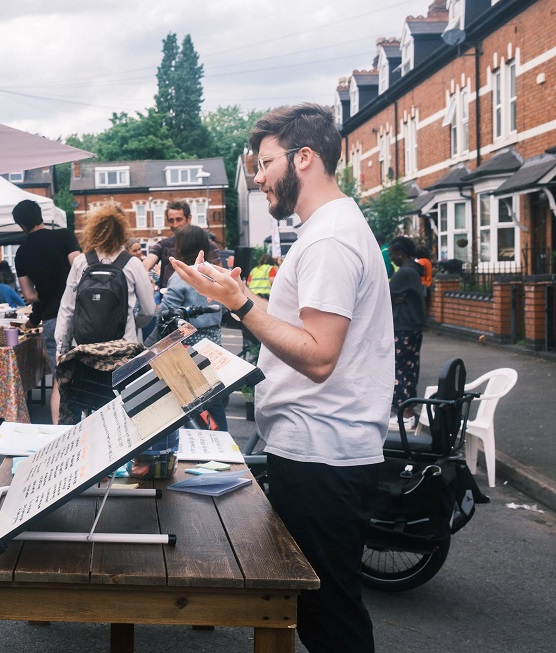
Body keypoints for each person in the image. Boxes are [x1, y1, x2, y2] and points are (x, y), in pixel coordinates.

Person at [172, 103, 393, 653]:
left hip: (323, 451)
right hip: (323, 446)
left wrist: (241, 307)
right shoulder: (330, 229)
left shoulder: (327, 240)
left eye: (265, 161)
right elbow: (305, 322)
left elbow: (319, 356)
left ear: (304, 158)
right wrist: (239, 294)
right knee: (322, 608)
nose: (257, 174)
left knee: (328, 616)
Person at [151, 225, 228, 431]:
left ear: (182, 247)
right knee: (214, 396)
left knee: (190, 401)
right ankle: (222, 442)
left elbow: (166, 313)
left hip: (189, 345)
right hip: (215, 341)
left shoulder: (181, 275)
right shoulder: (216, 273)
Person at [13, 199, 81, 425]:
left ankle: (58, 431)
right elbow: (79, 267)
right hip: (81, 316)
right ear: (41, 215)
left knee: (61, 379)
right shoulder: (64, 236)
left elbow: (29, 295)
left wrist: (48, 293)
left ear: (20, 225)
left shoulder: (21, 253)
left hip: (52, 319)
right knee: (90, 374)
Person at [55, 203, 155, 358]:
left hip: (85, 349)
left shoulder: (81, 262)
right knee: (122, 383)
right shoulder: (132, 263)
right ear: (123, 230)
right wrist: (130, 323)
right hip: (122, 348)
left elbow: (67, 308)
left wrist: (61, 349)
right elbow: (148, 309)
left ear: (94, 230)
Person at [388, 236, 426, 426]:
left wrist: (394, 298)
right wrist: (397, 299)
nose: (391, 257)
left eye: (392, 253)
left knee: (399, 369)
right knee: (409, 369)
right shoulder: (414, 270)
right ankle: (409, 413)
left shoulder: (405, 272)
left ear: (400, 253)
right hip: (413, 327)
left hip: (403, 327)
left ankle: (405, 414)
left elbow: (383, 292)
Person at [141, 201, 218, 288]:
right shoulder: (163, 245)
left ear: (189, 219)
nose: (175, 225)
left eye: (179, 219)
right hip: (169, 296)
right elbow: (145, 266)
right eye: (171, 220)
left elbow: (219, 274)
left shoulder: (207, 244)